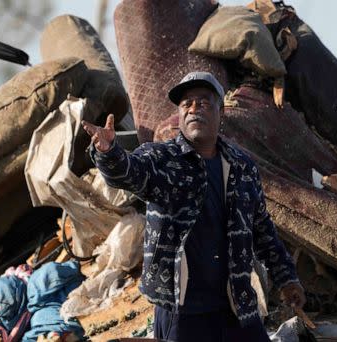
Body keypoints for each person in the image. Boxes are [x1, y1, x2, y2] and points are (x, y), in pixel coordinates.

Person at [82, 71, 305, 341]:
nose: (193, 109)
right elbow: (129, 172)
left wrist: (286, 276)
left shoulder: (242, 167)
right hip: (181, 309)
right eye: (186, 104)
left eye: (203, 102)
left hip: (235, 304)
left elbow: (262, 229)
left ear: (220, 111)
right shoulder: (161, 158)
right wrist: (108, 153)